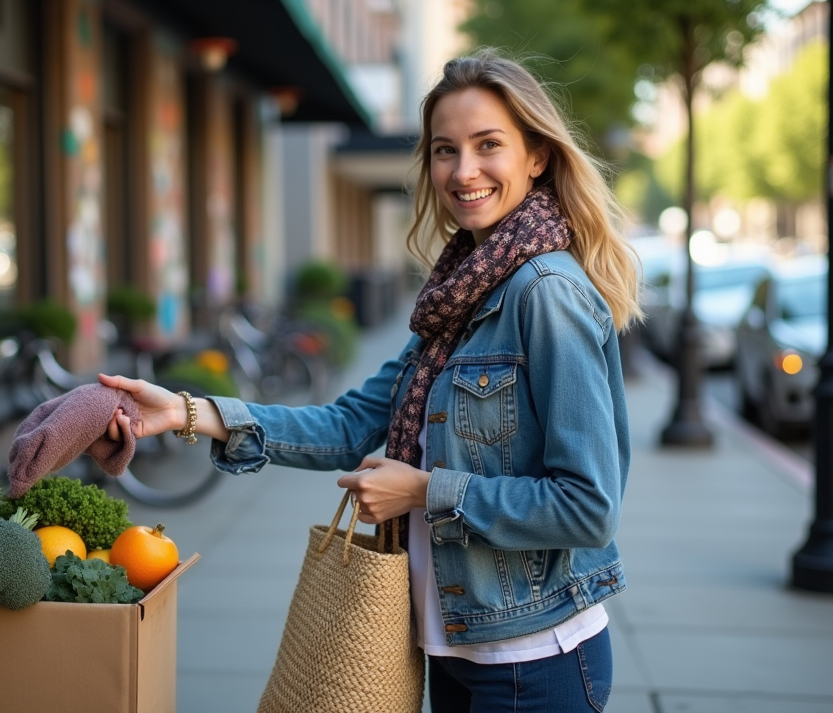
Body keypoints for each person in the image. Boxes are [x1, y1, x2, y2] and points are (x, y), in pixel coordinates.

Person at [101, 49, 639, 713]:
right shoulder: (460, 294)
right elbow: (351, 423)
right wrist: (189, 412)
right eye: (445, 150)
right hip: (457, 648)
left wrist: (423, 491)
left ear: (537, 156)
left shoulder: (546, 294)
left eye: (487, 145)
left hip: (536, 660)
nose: (463, 170)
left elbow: (588, 506)